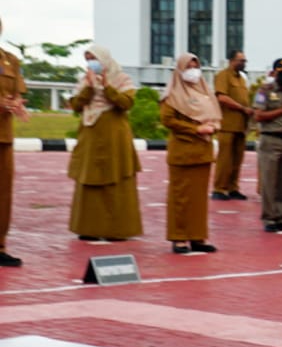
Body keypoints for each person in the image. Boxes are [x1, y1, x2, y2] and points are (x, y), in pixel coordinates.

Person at [67, 44, 142, 242]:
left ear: (104, 59)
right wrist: (90, 89)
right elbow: (75, 105)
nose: (91, 63)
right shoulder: (84, 81)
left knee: (117, 179)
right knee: (89, 179)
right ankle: (88, 227)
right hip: (90, 135)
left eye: (95, 58)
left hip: (115, 137)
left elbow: (126, 103)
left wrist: (107, 87)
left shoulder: (121, 79)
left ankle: (117, 229)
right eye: (88, 58)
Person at [158, 53, 221, 254]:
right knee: (180, 197)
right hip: (183, 151)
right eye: (188, 67)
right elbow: (168, 120)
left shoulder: (205, 92)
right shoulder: (172, 94)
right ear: (179, 70)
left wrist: (213, 126)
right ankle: (179, 238)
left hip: (203, 151)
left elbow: (216, 116)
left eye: (196, 66)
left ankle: (197, 237)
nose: (193, 71)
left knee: (199, 199)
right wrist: (196, 129)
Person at [252, 58, 282, 234]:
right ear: (274, 73)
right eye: (281, 71)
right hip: (270, 138)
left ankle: (281, 217)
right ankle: (269, 218)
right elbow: (258, 115)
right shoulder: (265, 90)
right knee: (269, 180)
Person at [211, 49, 252, 200]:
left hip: (241, 126)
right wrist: (242, 108)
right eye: (240, 60)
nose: (243, 63)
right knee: (225, 159)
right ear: (231, 60)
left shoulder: (242, 79)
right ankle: (219, 188)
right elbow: (222, 97)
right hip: (228, 124)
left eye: (244, 61)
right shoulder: (223, 76)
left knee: (237, 159)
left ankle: (233, 187)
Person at [0, 37, 26, 266]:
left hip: (3, 135)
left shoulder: (10, 60)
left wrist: (17, 103)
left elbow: (17, 90)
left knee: (3, 193)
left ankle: (0, 245)